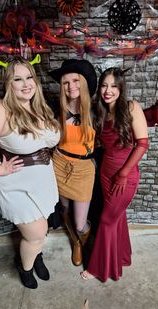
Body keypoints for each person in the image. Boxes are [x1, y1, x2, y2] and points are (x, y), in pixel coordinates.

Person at [0, 55, 60, 289]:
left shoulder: (39, 106)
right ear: (9, 83)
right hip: (17, 181)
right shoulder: (0, 110)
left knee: (40, 227)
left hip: (43, 177)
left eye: (29, 78)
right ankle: (24, 267)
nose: (26, 84)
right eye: (18, 79)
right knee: (37, 232)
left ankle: (35, 255)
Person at [80, 67, 149, 281]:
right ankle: (122, 257)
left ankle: (97, 268)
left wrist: (124, 173)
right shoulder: (100, 111)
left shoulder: (131, 108)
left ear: (121, 88)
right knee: (117, 218)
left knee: (107, 219)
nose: (108, 90)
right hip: (106, 172)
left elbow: (143, 144)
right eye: (104, 85)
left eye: (113, 86)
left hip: (125, 175)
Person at [49, 59, 97, 266]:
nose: (71, 87)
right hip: (59, 164)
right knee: (65, 210)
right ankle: (76, 244)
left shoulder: (97, 110)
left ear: (84, 82)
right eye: (65, 82)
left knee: (80, 222)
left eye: (75, 80)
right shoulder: (55, 109)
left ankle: (89, 247)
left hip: (83, 170)